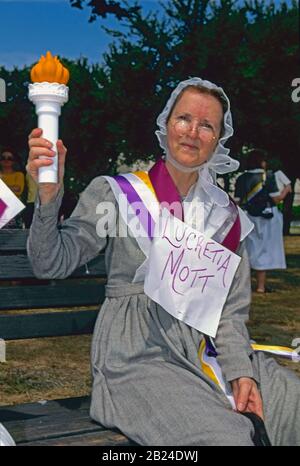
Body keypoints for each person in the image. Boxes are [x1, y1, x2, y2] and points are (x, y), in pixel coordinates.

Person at [26, 78, 300, 446]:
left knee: (292, 405)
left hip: (207, 348)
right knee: (224, 437)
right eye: (184, 118)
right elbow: (50, 264)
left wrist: (241, 372)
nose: (192, 132)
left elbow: (229, 314)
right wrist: (48, 195)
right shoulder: (117, 193)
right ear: (166, 125)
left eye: (207, 125)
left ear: (218, 140)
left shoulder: (227, 217)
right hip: (136, 353)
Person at [235, 150, 291, 293]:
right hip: (266, 218)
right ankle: (260, 286)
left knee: (248, 250)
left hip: (247, 217)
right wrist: (286, 190)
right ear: (261, 161)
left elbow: (237, 200)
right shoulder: (268, 176)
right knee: (264, 250)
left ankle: (243, 285)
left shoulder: (241, 178)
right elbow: (276, 199)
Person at [0, 148, 25, 228]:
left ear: (14, 161)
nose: (6, 160)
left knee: (12, 235)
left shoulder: (19, 175)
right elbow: (15, 189)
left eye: (9, 158)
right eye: (3, 158)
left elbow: (18, 190)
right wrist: (11, 188)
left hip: (13, 209)